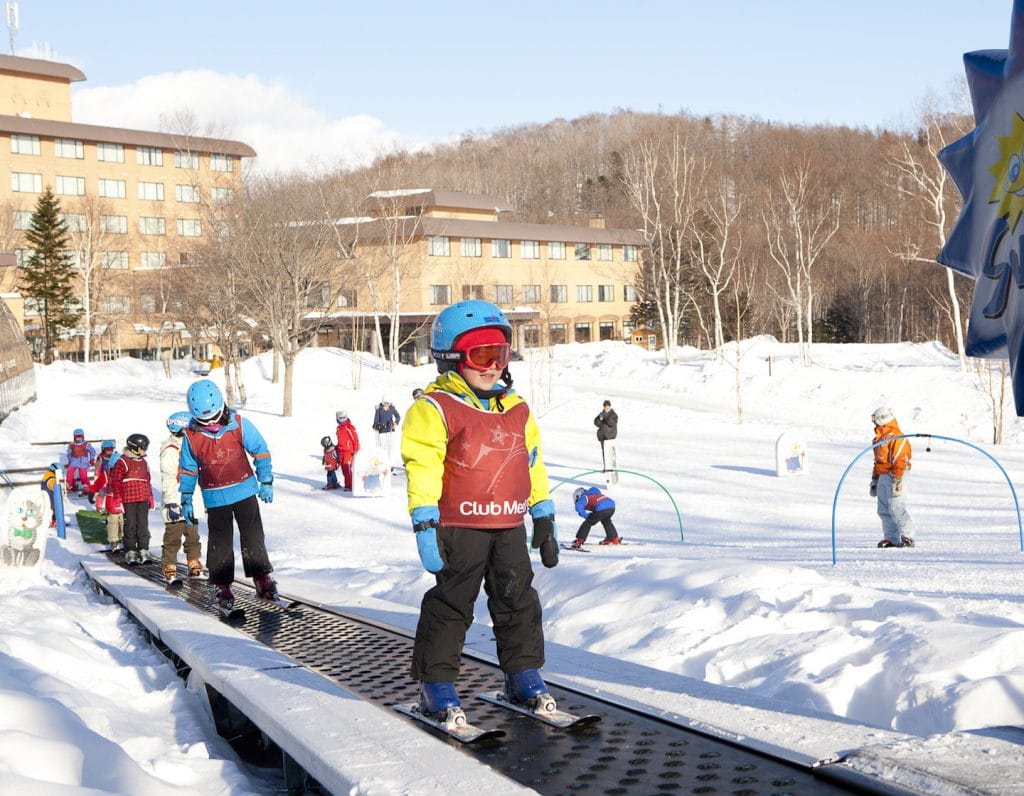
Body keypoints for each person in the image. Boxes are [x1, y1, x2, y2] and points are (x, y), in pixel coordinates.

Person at [401, 299, 559, 724]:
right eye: (481, 355)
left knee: (518, 602)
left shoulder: (517, 407)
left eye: (500, 355)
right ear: (451, 359)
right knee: (452, 604)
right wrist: (424, 521)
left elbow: (533, 460)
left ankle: (523, 672)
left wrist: (542, 511)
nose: (492, 366)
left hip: (508, 523)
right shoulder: (434, 409)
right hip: (460, 526)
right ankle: (436, 683)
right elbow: (423, 465)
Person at [179, 378, 278, 611]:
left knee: (253, 536)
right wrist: (185, 497)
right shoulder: (191, 437)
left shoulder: (239, 424)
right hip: (215, 497)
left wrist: (266, 480)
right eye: (204, 421)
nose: (211, 424)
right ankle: (222, 585)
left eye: (214, 418)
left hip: (244, 490)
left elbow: (260, 450)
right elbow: (188, 469)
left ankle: (261, 577)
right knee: (219, 542)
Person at [160, 411, 204, 583]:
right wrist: (171, 502)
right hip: (176, 500)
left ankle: (193, 562)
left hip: (192, 500)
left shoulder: (191, 446)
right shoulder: (171, 450)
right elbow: (169, 477)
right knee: (173, 536)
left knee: (193, 535)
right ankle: (169, 566)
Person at [870, 406, 915, 549]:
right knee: (883, 509)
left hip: (897, 474)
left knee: (896, 507)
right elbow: (877, 461)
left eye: (875, 420)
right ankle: (891, 538)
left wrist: (897, 477)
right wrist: (875, 479)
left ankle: (908, 536)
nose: (874, 424)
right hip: (883, 475)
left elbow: (900, 458)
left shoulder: (897, 437)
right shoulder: (879, 439)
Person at [108, 433, 154, 565]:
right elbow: (116, 481)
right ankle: (131, 550)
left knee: (143, 525)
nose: (145, 450)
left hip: (143, 497)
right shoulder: (123, 461)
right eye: (143, 447)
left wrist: (150, 495)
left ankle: (144, 549)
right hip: (129, 498)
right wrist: (117, 497)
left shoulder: (144, 462)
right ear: (136, 447)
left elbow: (148, 480)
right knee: (130, 524)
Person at [65, 428, 97, 495]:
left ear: (82, 436)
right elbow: (69, 453)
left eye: (80, 437)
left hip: (83, 461)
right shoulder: (72, 444)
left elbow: (92, 451)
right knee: (69, 473)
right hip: (74, 460)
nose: (78, 438)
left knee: (83, 476)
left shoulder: (86, 444)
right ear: (74, 437)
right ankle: (70, 486)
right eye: (77, 437)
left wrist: (92, 459)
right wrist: (70, 461)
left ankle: (88, 488)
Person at [335, 410, 360, 491]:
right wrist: (337, 448)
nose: (342, 420)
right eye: (340, 418)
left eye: (344, 418)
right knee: (344, 470)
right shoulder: (338, 428)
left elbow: (355, 439)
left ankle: (351, 486)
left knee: (348, 469)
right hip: (341, 451)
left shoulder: (349, 427)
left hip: (349, 452)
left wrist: (356, 449)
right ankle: (347, 485)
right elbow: (340, 440)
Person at [594, 400, 618, 472]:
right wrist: (599, 419)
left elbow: (612, 424)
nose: (606, 408)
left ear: (610, 406)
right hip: (603, 436)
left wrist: (606, 417)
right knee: (604, 452)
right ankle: (606, 467)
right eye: (605, 407)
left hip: (610, 436)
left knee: (610, 452)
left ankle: (611, 468)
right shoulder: (602, 413)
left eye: (607, 407)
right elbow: (596, 422)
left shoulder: (613, 415)